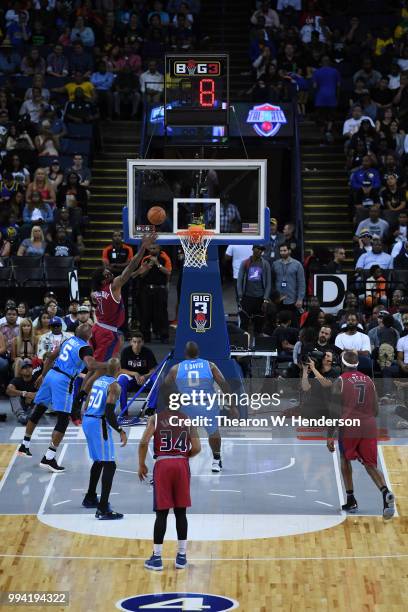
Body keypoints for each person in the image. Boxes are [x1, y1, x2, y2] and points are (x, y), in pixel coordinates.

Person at [17, 324, 108, 471]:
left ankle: (24, 445)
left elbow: (51, 357)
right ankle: (49, 458)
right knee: (63, 419)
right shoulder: (85, 348)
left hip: (51, 374)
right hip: (63, 380)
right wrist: (107, 364)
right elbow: (91, 365)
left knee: (39, 409)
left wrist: (43, 375)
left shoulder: (68, 340)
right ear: (89, 335)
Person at [327, 351, 395, 519]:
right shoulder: (369, 380)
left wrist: (330, 435)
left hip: (350, 426)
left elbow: (334, 411)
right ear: (357, 364)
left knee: (344, 458)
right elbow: (377, 410)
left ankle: (351, 499)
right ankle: (385, 493)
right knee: (371, 464)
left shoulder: (340, 381)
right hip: (369, 424)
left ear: (342, 364)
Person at [138, 396, 201, 571]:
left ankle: (157, 558)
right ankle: (181, 557)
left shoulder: (155, 418)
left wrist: (141, 464)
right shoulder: (188, 420)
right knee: (181, 512)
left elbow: (144, 443)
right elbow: (197, 448)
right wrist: (181, 457)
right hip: (181, 465)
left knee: (162, 513)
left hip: (163, 465)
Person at [165, 341, 236, 473]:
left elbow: (164, 387)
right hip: (207, 404)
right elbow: (224, 384)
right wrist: (232, 406)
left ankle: (180, 461)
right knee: (213, 432)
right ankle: (216, 460)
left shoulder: (176, 368)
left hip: (187, 405)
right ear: (198, 353)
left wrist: (170, 404)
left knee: (182, 433)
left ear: (185, 354)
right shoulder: (210, 365)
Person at [82, 357, 127, 520]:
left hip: (87, 419)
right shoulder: (114, 386)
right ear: (119, 369)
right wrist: (120, 430)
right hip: (98, 423)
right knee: (110, 464)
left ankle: (90, 497)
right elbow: (109, 413)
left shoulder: (99, 380)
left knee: (99, 461)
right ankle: (102, 508)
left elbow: (86, 403)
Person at [118, 333, 157, 415]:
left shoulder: (148, 352)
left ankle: (150, 408)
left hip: (145, 379)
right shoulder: (125, 352)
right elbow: (121, 370)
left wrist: (145, 376)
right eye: (134, 342)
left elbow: (153, 370)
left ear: (142, 342)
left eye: (139, 342)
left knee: (156, 380)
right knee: (121, 380)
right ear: (131, 342)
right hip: (131, 378)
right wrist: (134, 373)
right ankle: (124, 410)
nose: (137, 344)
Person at [237, 245, 271, 335]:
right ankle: (243, 345)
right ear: (253, 249)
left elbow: (268, 283)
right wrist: (240, 295)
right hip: (247, 297)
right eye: (258, 249)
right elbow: (239, 280)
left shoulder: (265, 264)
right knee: (244, 323)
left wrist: (266, 299)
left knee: (259, 325)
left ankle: (256, 344)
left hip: (260, 298)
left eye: (262, 250)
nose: (260, 251)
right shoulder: (245, 263)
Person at [272, 243, 306, 325]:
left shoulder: (297, 264)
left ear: (289, 251)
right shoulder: (275, 264)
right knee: (278, 323)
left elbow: (301, 283)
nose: (282, 252)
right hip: (279, 300)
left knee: (293, 323)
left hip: (292, 299)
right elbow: (272, 281)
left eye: (284, 250)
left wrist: (300, 298)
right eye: (281, 251)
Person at [6, 359, 37, 425]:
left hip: (32, 405)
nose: (27, 369)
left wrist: (32, 395)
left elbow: (44, 392)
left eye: (29, 367)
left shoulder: (37, 380)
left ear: (32, 369)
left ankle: (32, 415)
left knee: (41, 398)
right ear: (20, 371)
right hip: (21, 404)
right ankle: (21, 416)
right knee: (13, 396)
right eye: (24, 368)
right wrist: (24, 393)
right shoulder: (16, 380)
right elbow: (8, 390)